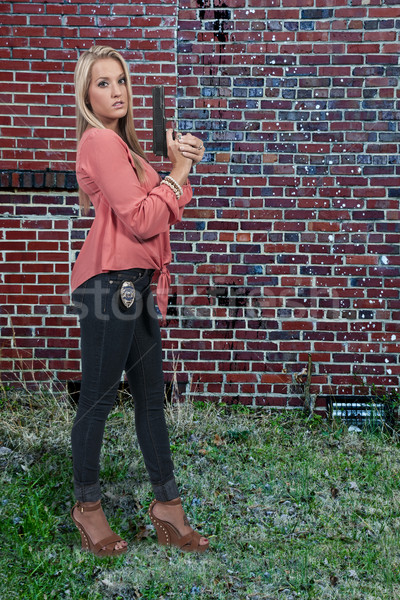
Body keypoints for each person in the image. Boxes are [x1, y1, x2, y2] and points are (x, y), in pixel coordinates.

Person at [69, 45, 209, 556]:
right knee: (100, 400)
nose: (117, 91)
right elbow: (144, 219)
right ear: (87, 94)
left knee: (151, 399)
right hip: (110, 283)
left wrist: (179, 166)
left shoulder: (126, 151)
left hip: (138, 282)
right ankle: (87, 509)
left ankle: (167, 510)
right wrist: (175, 172)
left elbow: (158, 206)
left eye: (121, 80)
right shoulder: (99, 141)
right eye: (103, 83)